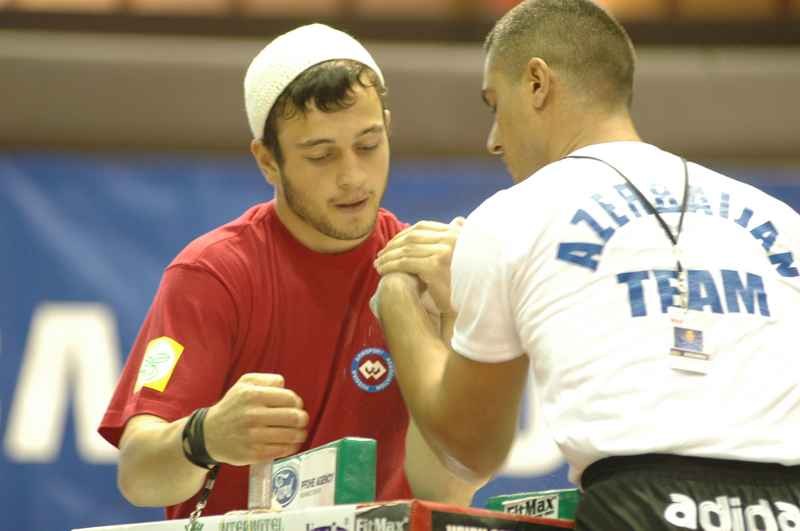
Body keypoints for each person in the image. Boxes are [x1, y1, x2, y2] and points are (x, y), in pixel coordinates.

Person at [372, 1, 800, 529]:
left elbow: (469, 451)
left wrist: (397, 297)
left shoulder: (512, 215)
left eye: (494, 105)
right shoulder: (782, 220)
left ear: (536, 83)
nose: (494, 139)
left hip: (642, 507)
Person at [98, 23, 480, 520]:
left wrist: (453, 321)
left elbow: (446, 493)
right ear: (267, 161)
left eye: (368, 145)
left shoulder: (428, 274)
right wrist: (204, 436)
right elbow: (137, 474)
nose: (352, 176)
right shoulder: (213, 274)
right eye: (321, 155)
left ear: (387, 127)